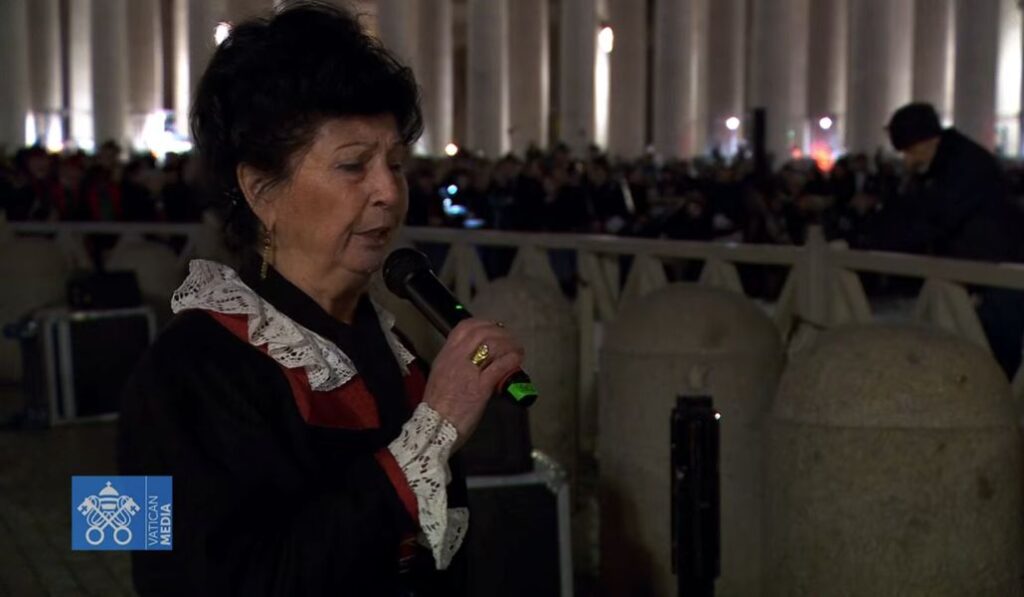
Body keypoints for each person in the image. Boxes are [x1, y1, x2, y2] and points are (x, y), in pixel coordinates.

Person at [117, 4, 524, 595]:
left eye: (396, 164)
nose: (388, 192)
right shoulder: (169, 376)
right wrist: (431, 432)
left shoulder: (395, 349)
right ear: (260, 189)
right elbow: (163, 573)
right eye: (353, 165)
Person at [868, 102, 1024, 377]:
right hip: (981, 271)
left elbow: (935, 219)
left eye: (910, 151)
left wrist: (882, 241)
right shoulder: (956, 162)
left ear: (927, 141)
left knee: (996, 350)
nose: (908, 160)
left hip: (994, 272)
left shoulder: (963, 168)